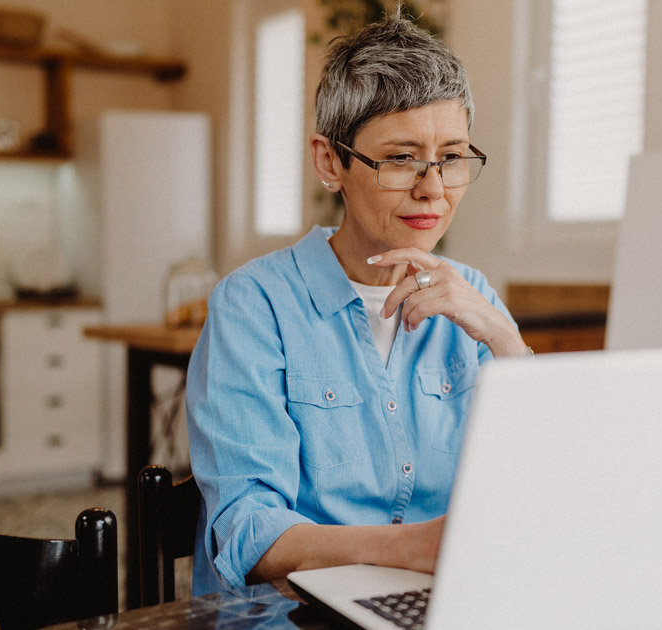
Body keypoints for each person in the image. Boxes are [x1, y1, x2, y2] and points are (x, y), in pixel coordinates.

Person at [186, 11, 530, 595]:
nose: (434, 188)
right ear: (330, 162)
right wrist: (414, 551)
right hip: (289, 615)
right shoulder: (254, 306)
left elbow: (543, 483)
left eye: (451, 156)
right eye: (400, 158)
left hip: (441, 602)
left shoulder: (474, 297)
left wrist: (505, 340)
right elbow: (248, 529)